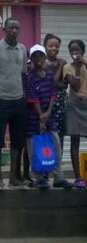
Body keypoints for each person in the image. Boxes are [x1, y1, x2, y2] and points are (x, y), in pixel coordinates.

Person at [0, 18, 27, 190]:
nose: (14, 30)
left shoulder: (23, 49)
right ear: (4, 29)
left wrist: (24, 94)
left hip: (19, 100)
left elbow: (24, 73)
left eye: (17, 28)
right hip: (2, 100)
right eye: (11, 27)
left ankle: (13, 177)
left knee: (18, 140)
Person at [25, 44, 72, 189]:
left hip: (49, 118)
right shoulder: (29, 78)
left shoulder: (50, 75)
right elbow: (33, 98)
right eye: (35, 56)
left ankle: (58, 177)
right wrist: (41, 117)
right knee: (35, 149)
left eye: (41, 56)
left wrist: (47, 114)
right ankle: (39, 179)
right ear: (31, 59)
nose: (38, 59)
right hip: (34, 120)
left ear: (45, 57)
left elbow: (52, 95)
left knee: (56, 146)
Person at [63, 39, 87, 189]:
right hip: (73, 105)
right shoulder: (67, 67)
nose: (74, 53)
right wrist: (78, 67)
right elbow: (76, 86)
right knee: (75, 141)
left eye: (77, 50)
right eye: (72, 50)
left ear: (82, 51)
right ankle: (78, 178)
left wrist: (84, 62)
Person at [44, 34, 68, 153]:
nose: (54, 48)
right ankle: (48, 162)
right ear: (45, 47)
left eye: (57, 46)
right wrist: (60, 67)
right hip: (46, 105)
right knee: (47, 133)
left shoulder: (63, 62)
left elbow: (65, 84)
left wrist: (57, 83)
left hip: (60, 105)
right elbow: (52, 83)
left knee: (60, 135)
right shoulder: (42, 63)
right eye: (51, 46)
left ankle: (58, 164)